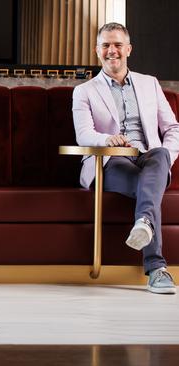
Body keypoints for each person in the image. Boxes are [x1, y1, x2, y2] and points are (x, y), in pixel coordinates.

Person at [72, 22, 179, 294]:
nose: (112, 51)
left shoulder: (149, 84)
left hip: (149, 157)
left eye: (117, 45)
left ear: (128, 49)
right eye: (106, 45)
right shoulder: (84, 91)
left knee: (157, 158)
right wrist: (106, 140)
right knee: (148, 188)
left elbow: (172, 128)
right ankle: (157, 269)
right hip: (109, 161)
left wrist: (167, 155)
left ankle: (144, 224)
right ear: (97, 51)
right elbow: (84, 134)